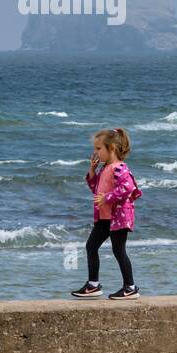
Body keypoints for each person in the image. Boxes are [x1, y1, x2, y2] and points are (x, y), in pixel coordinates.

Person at [70, 127, 142, 300]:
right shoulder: (105, 168)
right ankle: (93, 285)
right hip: (104, 217)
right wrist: (92, 172)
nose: (95, 152)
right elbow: (97, 190)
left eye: (98, 148)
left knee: (119, 250)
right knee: (91, 246)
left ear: (112, 149)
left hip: (118, 217)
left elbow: (128, 188)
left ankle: (130, 287)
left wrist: (108, 197)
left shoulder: (120, 168)